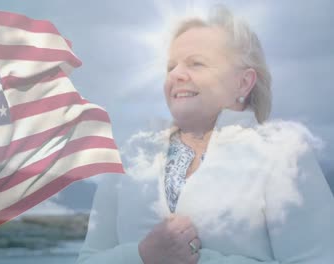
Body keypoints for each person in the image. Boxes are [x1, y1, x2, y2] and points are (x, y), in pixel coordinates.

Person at [75, 5, 334, 264]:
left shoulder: (284, 156)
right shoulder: (128, 159)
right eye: (170, 67)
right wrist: (141, 256)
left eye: (196, 63)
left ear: (243, 82)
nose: (176, 74)